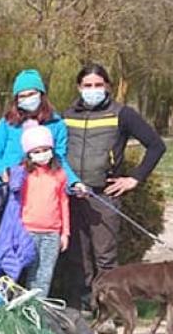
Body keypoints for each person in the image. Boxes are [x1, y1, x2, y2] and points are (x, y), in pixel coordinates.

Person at [62, 62, 166, 313]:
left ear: (107, 86)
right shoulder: (67, 115)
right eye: (87, 85)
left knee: (104, 258)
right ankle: (83, 308)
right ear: (79, 87)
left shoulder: (122, 114)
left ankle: (108, 311)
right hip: (73, 194)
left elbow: (156, 145)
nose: (93, 90)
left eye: (98, 85)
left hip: (104, 196)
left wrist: (134, 178)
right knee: (78, 257)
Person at [0, 69, 83, 191]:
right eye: (22, 96)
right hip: (13, 187)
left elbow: (59, 159)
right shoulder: (8, 123)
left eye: (31, 94)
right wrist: (3, 171)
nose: (27, 99)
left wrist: (73, 182)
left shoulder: (56, 124)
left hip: (43, 188)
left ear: (41, 95)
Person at [7, 126, 70, 296]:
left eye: (45, 150)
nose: (42, 154)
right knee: (22, 271)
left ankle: (37, 308)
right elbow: (15, 203)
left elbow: (63, 202)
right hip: (28, 231)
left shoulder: (59, 174)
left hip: (52, 233)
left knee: (44, 274)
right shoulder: (23, 174)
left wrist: (65, 233)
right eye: (37, 151)